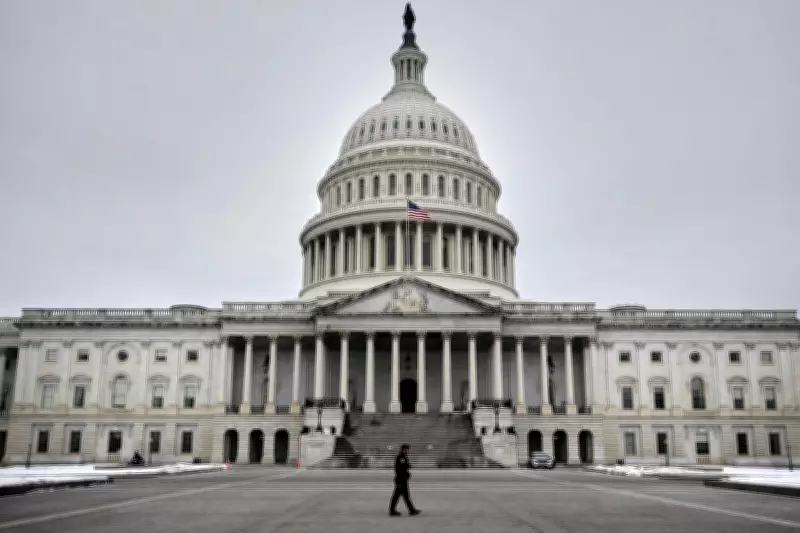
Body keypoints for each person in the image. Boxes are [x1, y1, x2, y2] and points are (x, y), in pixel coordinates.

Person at [389, 444, 420, 516]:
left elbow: (403, 467)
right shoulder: (401, 457)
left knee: (406, 496)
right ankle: (392, 511)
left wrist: (408, 467)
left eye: (408, 449)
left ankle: (412, 510)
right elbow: (400, 469)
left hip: (402, 480)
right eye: (406, 449)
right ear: (403, 449)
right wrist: (406, 474)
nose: (407, 451)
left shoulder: (403, 457)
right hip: (401, 480)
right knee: (396, 496)